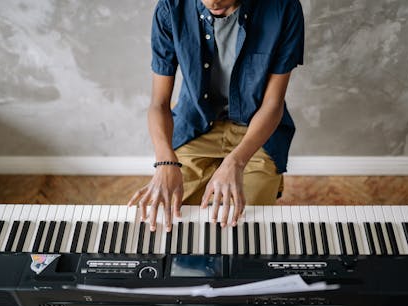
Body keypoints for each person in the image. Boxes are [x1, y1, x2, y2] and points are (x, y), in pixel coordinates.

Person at [128, 0, 304, 232]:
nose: (212, 2)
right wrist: (164, 162)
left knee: (245, 224)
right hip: (195, 126)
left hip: (256, 130)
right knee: (171, 219)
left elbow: (273, 104)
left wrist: (236, 162)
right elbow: (159, 103)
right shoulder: (171, 7)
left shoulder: (284, 7)